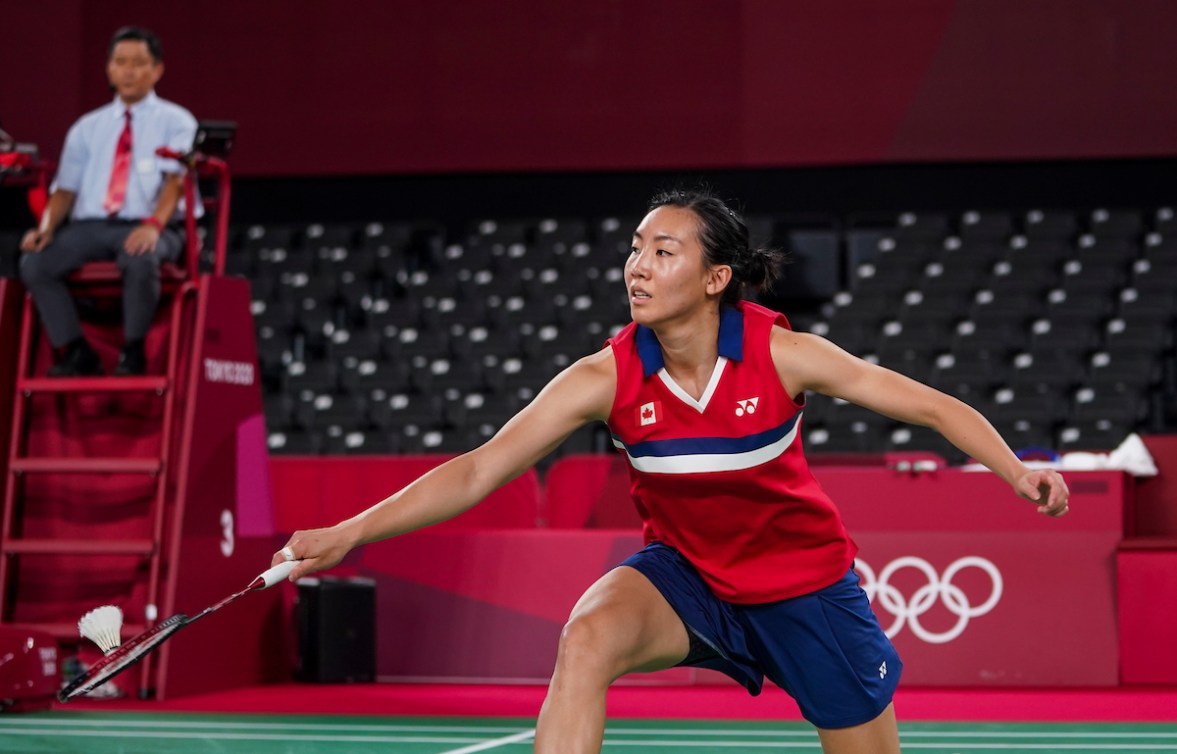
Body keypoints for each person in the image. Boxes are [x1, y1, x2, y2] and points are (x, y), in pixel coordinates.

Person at [273, 188, 1070, 754]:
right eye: (633, 248)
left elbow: (928, 405)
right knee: (586, 637)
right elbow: (481, 468)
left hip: (803, 590)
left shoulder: (781, 355)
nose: (638, 266)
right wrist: (351, 531)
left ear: (715, 279)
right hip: (686, 576)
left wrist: (1014, 470)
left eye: (663, 251)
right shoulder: (606, 376)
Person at [19, 26, 197, 377]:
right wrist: (45, 229)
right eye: (120, 62)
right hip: (91, 227)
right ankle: (76, 351)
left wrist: (153, 226)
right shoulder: (87, 127)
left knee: (139, 256)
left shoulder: (177, 122)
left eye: (138, 63)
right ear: (109, 69)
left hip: (155, 225)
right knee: (35, 263)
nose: (128, 71)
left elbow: (176, 183)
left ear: (157, 69)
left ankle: (133, 352)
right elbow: (65, 190)